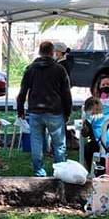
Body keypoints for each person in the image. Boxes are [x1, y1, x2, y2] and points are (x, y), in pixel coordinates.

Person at [16, 41, 73, 176]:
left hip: (35, 111)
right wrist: (67, 111)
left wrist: (20, 110)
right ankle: (60, 171)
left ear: (40, 52)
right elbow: (66, 93)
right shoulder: (60, 69)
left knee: (36, 143)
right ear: (52, 52)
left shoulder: (30, 69)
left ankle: (39, 172)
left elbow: (22, 92)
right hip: (55, 111)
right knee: (59, 145)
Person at [82, 96, 109, 170]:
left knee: (87, 148)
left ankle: (90, 170)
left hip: (102, 146)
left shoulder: (90, 118)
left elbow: (84, 133)